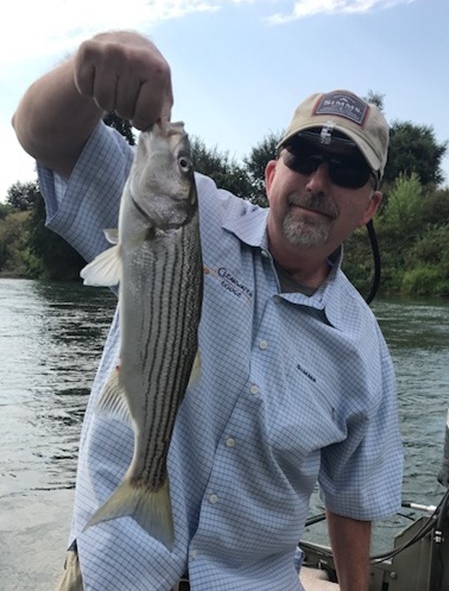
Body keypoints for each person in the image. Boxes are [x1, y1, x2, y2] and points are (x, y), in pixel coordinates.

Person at [13, 30, 403, 591]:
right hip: (114, 570)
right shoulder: (184, 214)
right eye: (305, 157)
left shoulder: (365, 349)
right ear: (273, 174)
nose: (318, 182)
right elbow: (41, 135)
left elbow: (352, 500)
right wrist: (85, 73)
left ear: (369, 207)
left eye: (344, 171)